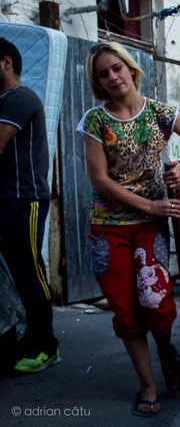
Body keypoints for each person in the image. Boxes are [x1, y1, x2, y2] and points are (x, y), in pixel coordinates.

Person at [77, 42, 180, 417]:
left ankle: (164, 349)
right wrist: (150, 205)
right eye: (103, 74)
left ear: (130, 68)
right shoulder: (95, 121)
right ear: (99, 82)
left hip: (150, 228)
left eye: (116, 68)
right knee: (125, 311)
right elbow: (100, 180)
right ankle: (147, 383)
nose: (112, 77)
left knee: (156, 302)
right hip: (109, 227)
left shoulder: (160, 113)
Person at [0, 38, 59, 374]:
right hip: (8, 198)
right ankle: (29, 337)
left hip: (25, 199)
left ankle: (46, 345)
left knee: (29, 272)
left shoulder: (18, 98)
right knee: (16, 273)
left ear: (5, 62)